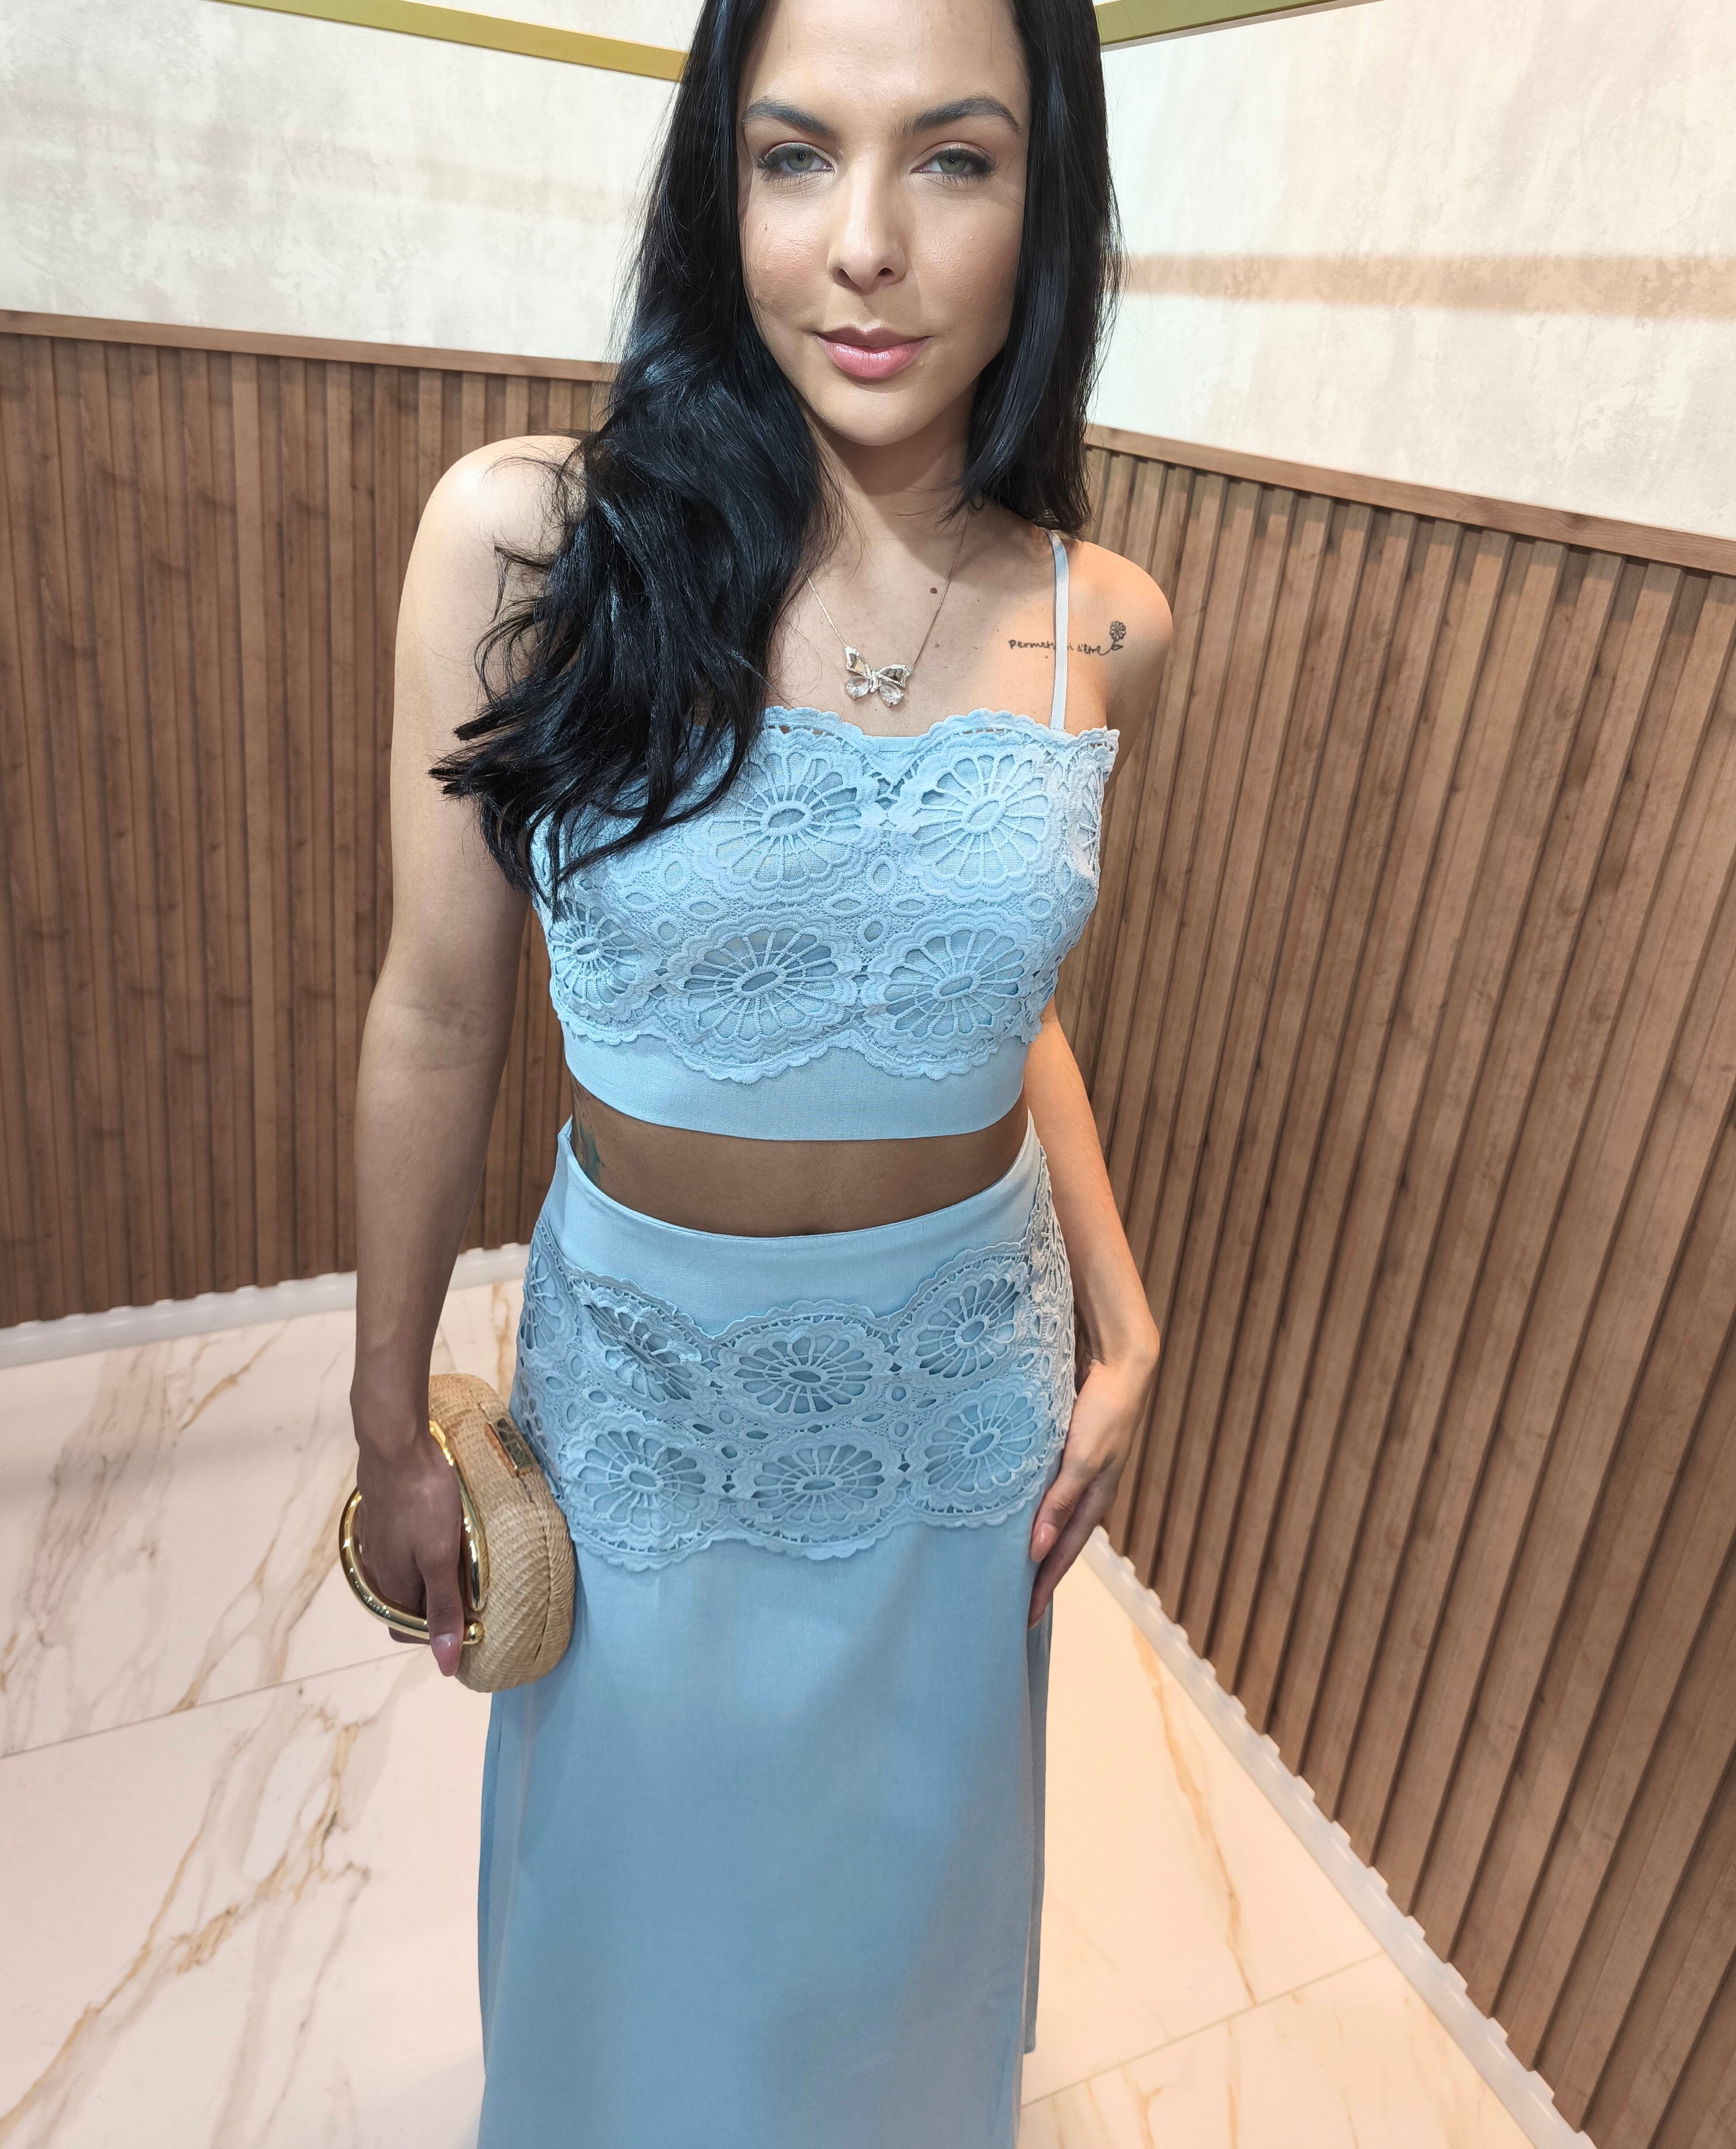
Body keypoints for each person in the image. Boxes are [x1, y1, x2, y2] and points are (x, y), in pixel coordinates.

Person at [348, 0, 1171, 2138]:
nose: (865, 241)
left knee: (891, 1925)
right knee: (638, 1925)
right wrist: (385, 1419)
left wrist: (1130, 1320)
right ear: (717, 187)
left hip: (961, 1396)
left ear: (1047, 198)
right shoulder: (537, 538)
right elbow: (436, 1006)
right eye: (795, 155)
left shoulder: (1105, 618)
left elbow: (987, 993)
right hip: (650, 1390)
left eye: (954, 159)